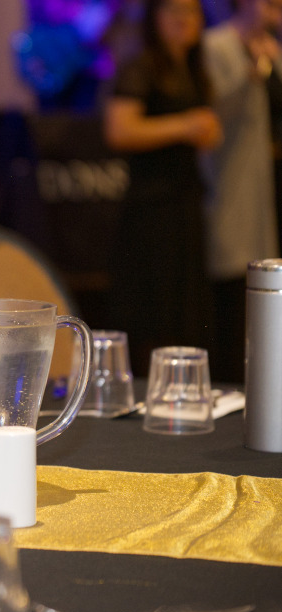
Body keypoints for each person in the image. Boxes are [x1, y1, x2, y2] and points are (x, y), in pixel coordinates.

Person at [103, 0, 222, 375]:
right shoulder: (141, 66)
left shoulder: (194, 67)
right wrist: (184, 126)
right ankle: (145, 392)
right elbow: (119, 130)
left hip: (186, 200)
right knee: (150, 307)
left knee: (183, 307)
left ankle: (179, 387)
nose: (184, 21)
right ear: (155, 17)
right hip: (150, 206)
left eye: (192, 12)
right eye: (175, 11)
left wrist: (205, 130)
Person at [202, 0, 282, 383]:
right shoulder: (216, 44)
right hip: (230, 189)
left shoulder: (272, 45)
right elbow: (212, 119)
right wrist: (253, 71)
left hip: (268, 188)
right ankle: (232, 387)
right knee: (234, 295)